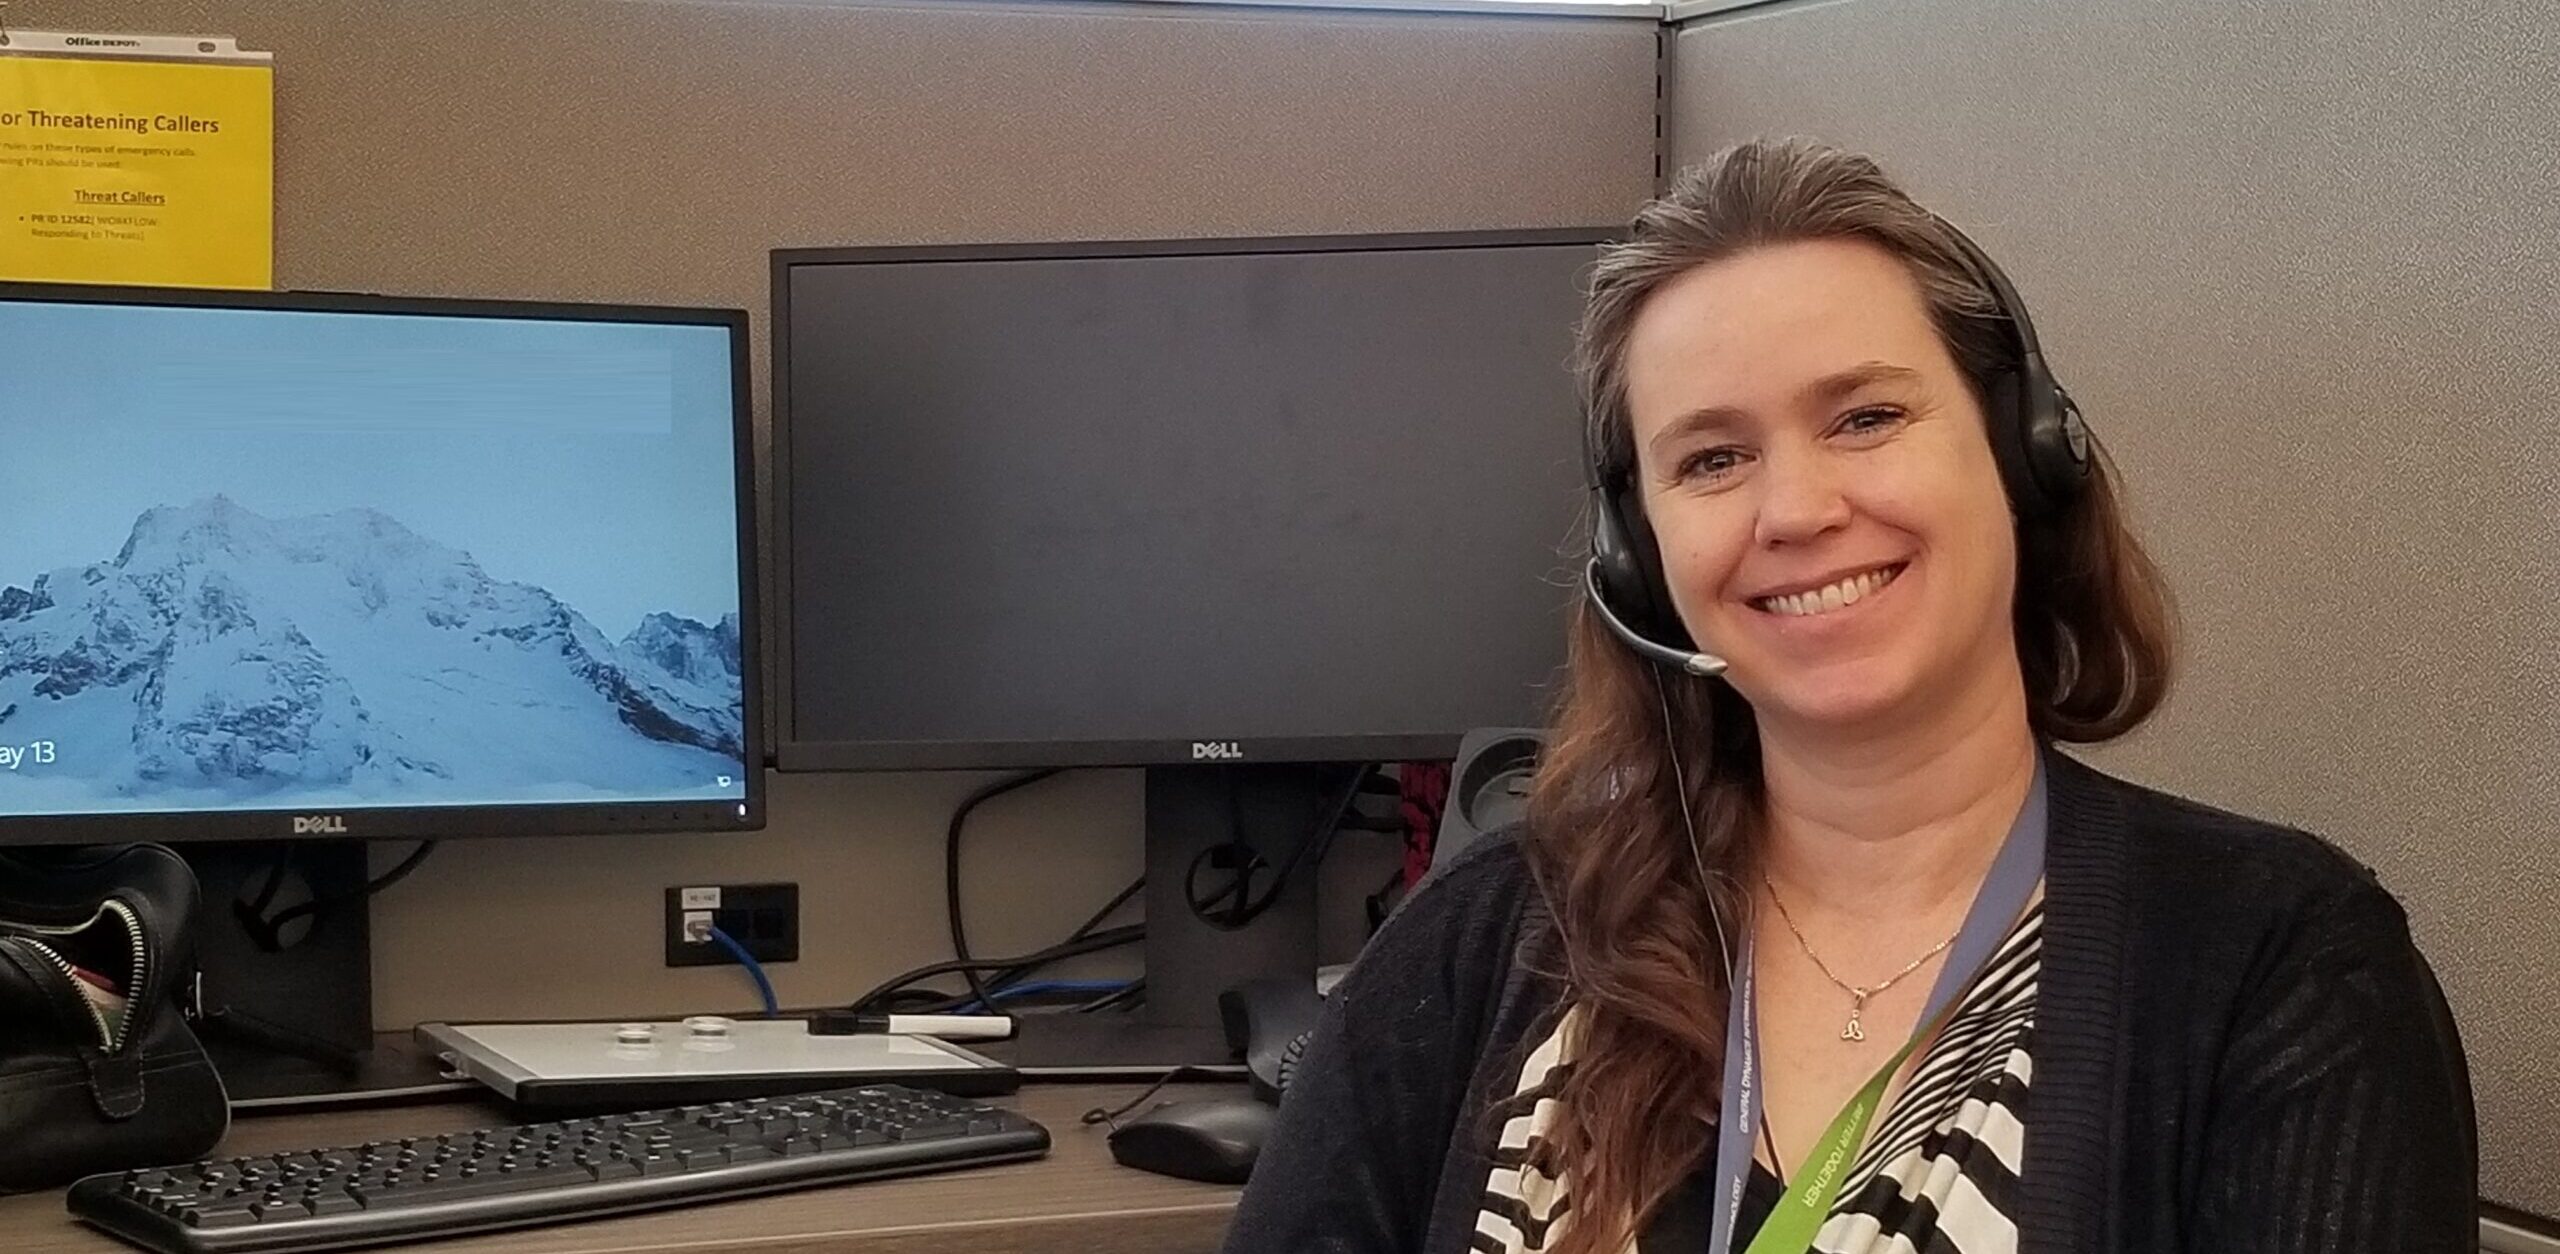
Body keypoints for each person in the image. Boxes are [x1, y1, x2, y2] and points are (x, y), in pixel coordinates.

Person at [1224, 138, 2475, 1254]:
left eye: (1866, 417)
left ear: (2023, 452)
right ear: (1635, 554)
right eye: (1712, 457)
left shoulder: (2280, 967)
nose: (1798, 512)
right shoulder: (1482, 944)